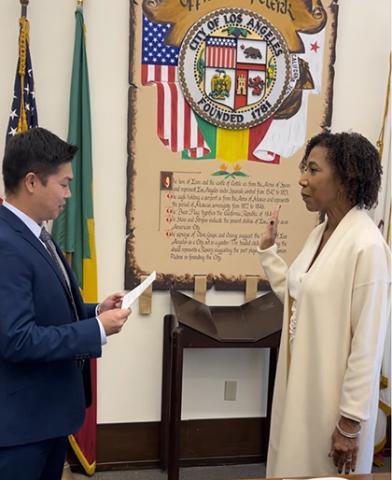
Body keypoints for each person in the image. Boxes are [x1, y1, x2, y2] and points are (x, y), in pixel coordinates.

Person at [0, 127, 131, 479]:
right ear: (31, 182)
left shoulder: (35, 233)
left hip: (46, 417)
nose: (69, 194)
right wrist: (95, 330)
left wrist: (94, 311)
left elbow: (43, 307)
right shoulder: (6, 244)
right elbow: (17, 338)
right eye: (63, 183)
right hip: (21, 428)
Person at [258, 131, 390, 476]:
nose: (302, 179)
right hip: (297, 389)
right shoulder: (320, 232)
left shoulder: (366, 246)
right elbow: (298, 294)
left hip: (330, 404)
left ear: (346, 178)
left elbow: (368, 343)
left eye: (313, 170)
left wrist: (349, 422)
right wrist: (268, 253)